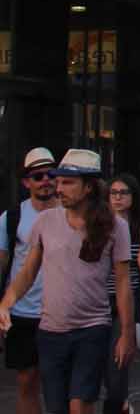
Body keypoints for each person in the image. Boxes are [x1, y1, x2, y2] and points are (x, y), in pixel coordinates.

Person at [0, 149, 133, 414]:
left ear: (89, 187)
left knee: (81, 404)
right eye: (58, 181)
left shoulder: (115, 225)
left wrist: (127, 333)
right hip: (50, 331)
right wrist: (6, 303)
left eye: (68, 182)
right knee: (57, 407)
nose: (59, 187)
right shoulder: (45, 221)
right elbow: (27, 271)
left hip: (93, 328)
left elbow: (122, 282)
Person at [3, 148, 60, 414]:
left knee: (62, 386)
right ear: (27, 182)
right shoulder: (11, 218)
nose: (46, 180)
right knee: (27, 383)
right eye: (38, 176)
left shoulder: (72, 214)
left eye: (51, 173)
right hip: (23, 313)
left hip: (63, 314)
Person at [100, 176, 140, 414]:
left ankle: (118, 404)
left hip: (126, 302)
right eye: (113, 192)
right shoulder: (99, 226)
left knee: (118, 364)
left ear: (133, 197)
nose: (117, 197)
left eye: (123, 192)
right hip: (98, 301)